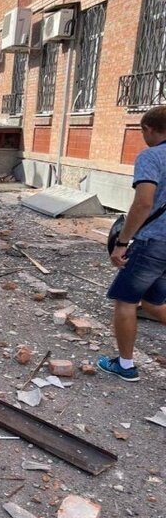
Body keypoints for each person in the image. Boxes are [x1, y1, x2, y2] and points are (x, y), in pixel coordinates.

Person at [99, 105, 166, 382]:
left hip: (153, 242)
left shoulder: (151, 156)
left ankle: (125, 366)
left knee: (125, 301)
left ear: (148, 128)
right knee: (153, 302)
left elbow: (143, 203)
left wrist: (122, 242)